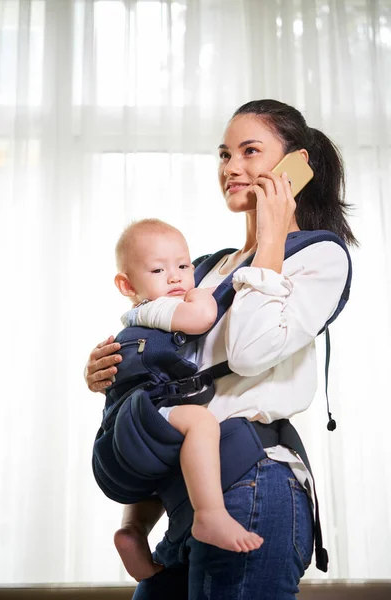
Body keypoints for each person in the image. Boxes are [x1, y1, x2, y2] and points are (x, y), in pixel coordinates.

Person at [85, 99, 357, 600]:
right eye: (224, 154)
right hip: (183, 495)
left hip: (253, 481)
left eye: (250, 151)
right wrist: (104, 367)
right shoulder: (207, 267)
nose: (231, 168)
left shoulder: (318, 254)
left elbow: (253, 353)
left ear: (295, 166)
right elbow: (162, 361)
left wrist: (273, 235)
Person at [110, 218, 263, 580]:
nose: (176, 278)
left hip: (132, 416)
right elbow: (201, 317)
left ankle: (133, 531)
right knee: (201, 423)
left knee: (159, 470)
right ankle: (209, 513)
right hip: (148, 408)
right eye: (159, 269)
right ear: (127, 285)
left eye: (183, 266)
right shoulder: (156, 308)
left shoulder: (138, 318)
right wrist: (202, 296)